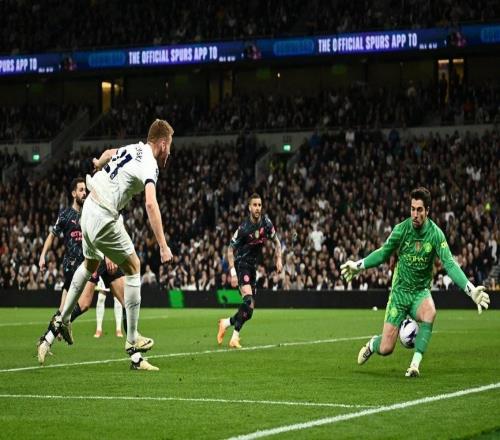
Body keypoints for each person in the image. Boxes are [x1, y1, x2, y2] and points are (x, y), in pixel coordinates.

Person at [51, 119, 174, 371]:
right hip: (104, 214)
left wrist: (98, 163)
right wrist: (163, 245)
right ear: (162, 144)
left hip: (88, 208)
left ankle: (62, 318)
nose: (169, 152)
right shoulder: (150, 164)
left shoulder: (133, 148)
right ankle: (133, 339)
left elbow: (108, 153)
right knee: (134, 266)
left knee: (89, 264)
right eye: (169, 146)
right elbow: (150, 204)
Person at [341, 187, 490, 378]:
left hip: (420, 292)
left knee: (430, 312)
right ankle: (372, 344)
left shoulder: (435, 234)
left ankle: (414, 365)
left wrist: (470, 289)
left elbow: (449, 264)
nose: (415, 214)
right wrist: (358, 265)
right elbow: (383, 253)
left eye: (419, 210)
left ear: (427, 210)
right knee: (386, 348)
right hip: (399, 294)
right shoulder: (401, 230)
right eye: (412, 209)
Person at [217, 193, 282, 348]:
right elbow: (230, 249)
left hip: (252, 267)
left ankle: (226, 323)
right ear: (249, 208)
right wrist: (233, 273)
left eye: (259, 205)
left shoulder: (266, 223)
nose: (257, 208)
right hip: (241, 265)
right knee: (247, 301)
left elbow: (277, 242)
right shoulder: (243, 228)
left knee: (249, 311)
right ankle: (234, 337)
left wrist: (279, 259)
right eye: (254, 205)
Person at [37, 257, 127, 364]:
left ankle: (48, 339)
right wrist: (108, 256)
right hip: (99, 257)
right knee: (84, 303)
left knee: (127, 301)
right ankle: (49, 338)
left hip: (102, 257)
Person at [38, 177, 87, 314]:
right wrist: (42, 256)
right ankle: (60, 321)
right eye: (81, 190)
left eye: (85, 190)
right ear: (74, 193)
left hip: (85, 264)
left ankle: (59, 320)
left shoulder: (89, 213)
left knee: (70, 307)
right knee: (81, 303)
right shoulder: (65, 215)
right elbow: (51, 235)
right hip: (71, 263)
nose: (84, 193)